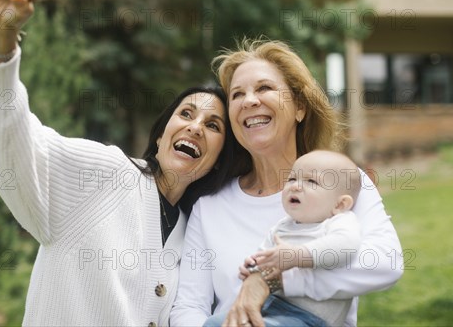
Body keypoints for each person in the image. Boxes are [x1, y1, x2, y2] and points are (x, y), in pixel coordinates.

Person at [0, 0, 238, 326]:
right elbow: (12, 144)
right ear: (162, 134)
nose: (196, 127)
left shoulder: (194, 230)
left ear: (219, 156)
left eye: (214, 126)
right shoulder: (105, 174)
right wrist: (1, 43)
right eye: (186, 113)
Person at [170, 39, 403, 327]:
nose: (250, 100)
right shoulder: (209, 208)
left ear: (299, 108)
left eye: (264, 88)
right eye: (237, 94)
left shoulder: (340, 183)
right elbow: (189, 306)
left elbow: (386, 263)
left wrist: (278, 279)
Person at [203, 150, 363, 327]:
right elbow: (265, 258)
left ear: (340, 204)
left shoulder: (338, 222)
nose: (295, 186)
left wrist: (297, 255)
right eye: (292, 179)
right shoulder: (283, 226)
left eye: (311, 181)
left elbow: (345, 246)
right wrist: (253, 267)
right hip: (272, 307)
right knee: (215, 323)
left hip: (311, 318)